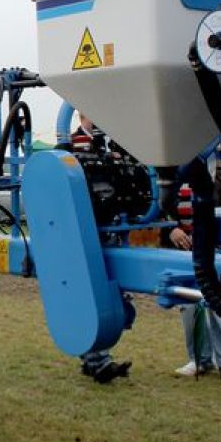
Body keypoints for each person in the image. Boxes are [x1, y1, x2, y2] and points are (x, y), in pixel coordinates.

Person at [70, 112, 133, 384]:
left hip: (108, 226)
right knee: (92, 294)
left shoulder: (109, 144)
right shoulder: (73, 145)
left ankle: (94, 360)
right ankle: (99, 363)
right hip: (87, 229)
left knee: (103, 294)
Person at [168, 177, 221, 386]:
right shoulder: (171, 175)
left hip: (218, 249)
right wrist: (171, 228)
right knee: (189, 305)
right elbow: (162, 207)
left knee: (219, 305)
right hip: (184, 250)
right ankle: (199, 359)